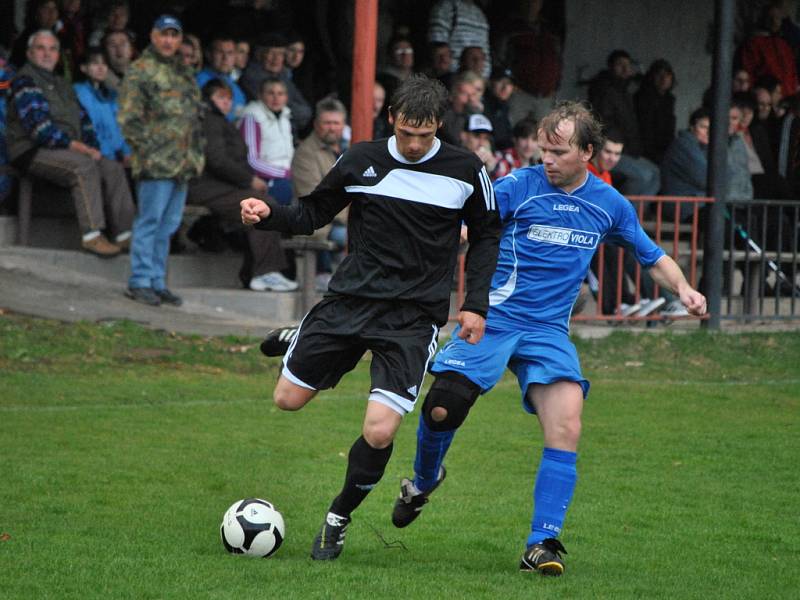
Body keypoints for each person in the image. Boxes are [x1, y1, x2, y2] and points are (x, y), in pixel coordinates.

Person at [389, 100, 706, 575]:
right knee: (442, 407)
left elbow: (652, 255)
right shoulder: (518, 186)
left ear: (588, 152)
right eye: (543, 151)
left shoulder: (609, 204)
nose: (547, 161)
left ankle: (542, 544)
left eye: (558, 152)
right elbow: (465, 228)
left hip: (548, 332)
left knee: (567, 426)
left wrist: (683, 287)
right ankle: (422, 480)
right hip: (493, 320)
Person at [240, 74, 501, 561]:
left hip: (411, 318)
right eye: (406, 134)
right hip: (350, 302)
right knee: (287, 400)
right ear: (391, 121)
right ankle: (304, 336)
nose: (416, 144)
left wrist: (475, 305)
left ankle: (338, 518)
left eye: (425, 135)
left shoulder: (467, 170)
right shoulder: (361, 159)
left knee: (380, 431)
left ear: (439, 126)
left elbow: (486, 236)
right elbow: (313, 212)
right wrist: (268, 213)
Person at [6, 29, 134, 257]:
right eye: (41, 48)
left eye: (53, 49)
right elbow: (40, 130)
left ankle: (126, 235)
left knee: (112, 168)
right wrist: (79, 148)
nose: (47, 54)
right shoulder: (25, 80)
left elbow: (83, 120)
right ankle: (92, 235)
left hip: (65, 149)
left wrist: (92, 147)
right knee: (83, 166)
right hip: (31, 150)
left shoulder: (63, 83)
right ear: (29, 53)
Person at [118, 15, 204, 307]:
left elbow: (194, 117)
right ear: (153, 36)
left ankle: (157, 280)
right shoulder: (141, 70)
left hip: (182, 163)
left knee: (169, 225)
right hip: (156, 163)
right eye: (163, 34)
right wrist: (149, 150)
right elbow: (129, 119)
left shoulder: (183, 71)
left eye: (174, 35)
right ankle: (140, 280)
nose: (168, 41)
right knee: (150, 221)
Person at [188, 79, 294, 292]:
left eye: (229, 98)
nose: (226, 102)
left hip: (222, 186)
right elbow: (217, 160)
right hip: (207, 188)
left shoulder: (221, 121)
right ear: (208, 99)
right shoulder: (210, 121)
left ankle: (258, 272)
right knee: (261, 207)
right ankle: (264, 273)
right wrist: (248, 180)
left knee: (265, 206)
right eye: (220, 97)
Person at [291, 97, 349, 291]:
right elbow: (316, 198)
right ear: (316, 124)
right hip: (321, 223)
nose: (332, 128)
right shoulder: (306, 153)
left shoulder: (349, 149)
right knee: (362, 234)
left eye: (336, 123)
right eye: (327, 123)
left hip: (343, 218)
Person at [588, 49, 660, 197]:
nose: (625, 69)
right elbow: (604, 125)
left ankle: (637, 215)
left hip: (628, 150)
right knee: (643, 175)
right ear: (611, 67)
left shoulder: (625, 90)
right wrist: (618, 146)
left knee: (655, 173)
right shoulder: (604, 89)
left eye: (628, 65)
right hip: (610, 150)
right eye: (620, 65)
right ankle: (623, 213)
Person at [240, 78, 294, 206]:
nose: (276, 98)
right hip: (263, 180)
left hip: (284, 177)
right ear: (260, 95)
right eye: (270, 93)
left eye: (280, 94)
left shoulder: (285, 117)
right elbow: (251, 160)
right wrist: (283, 173)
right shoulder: (252, 117)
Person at [72, 47, 130, 163]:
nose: (101, 68)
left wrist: (126, 151)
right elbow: (89, 129)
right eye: (95, 63)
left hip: (117, 155)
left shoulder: (110, 94)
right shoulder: (79, 92)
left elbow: (121, 125)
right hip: (99, 155)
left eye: (104, 64)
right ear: (83, 68)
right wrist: (109, 155)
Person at [660, 107, 710, 222]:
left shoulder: (706, 147)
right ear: (692, 127)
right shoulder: (684, 145)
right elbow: (705, 178)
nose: (708, 132)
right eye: (703, 127)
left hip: (697, 205)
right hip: (683, 207)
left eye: (712, 128)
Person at [428, 0, 491, 78]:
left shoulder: (480, 14)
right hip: (454, 77)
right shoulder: (447, 7)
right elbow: (438, 44)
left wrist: (485, 76)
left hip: (477, 80)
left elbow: (485, 48)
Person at [634, 59, 676, 165]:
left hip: (665, 149)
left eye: (667, 75)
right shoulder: (643, 97)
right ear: (652, 77)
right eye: (659, 75)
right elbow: (645, 128)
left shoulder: (669, 99)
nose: (663, 79)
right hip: (647, 151)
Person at [196, 35, 247, 121]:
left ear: (235, 56)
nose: (225, 58)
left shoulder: (235, 85)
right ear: (209, 54)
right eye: (220, 52)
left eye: (230, 53)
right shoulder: (198, 81)